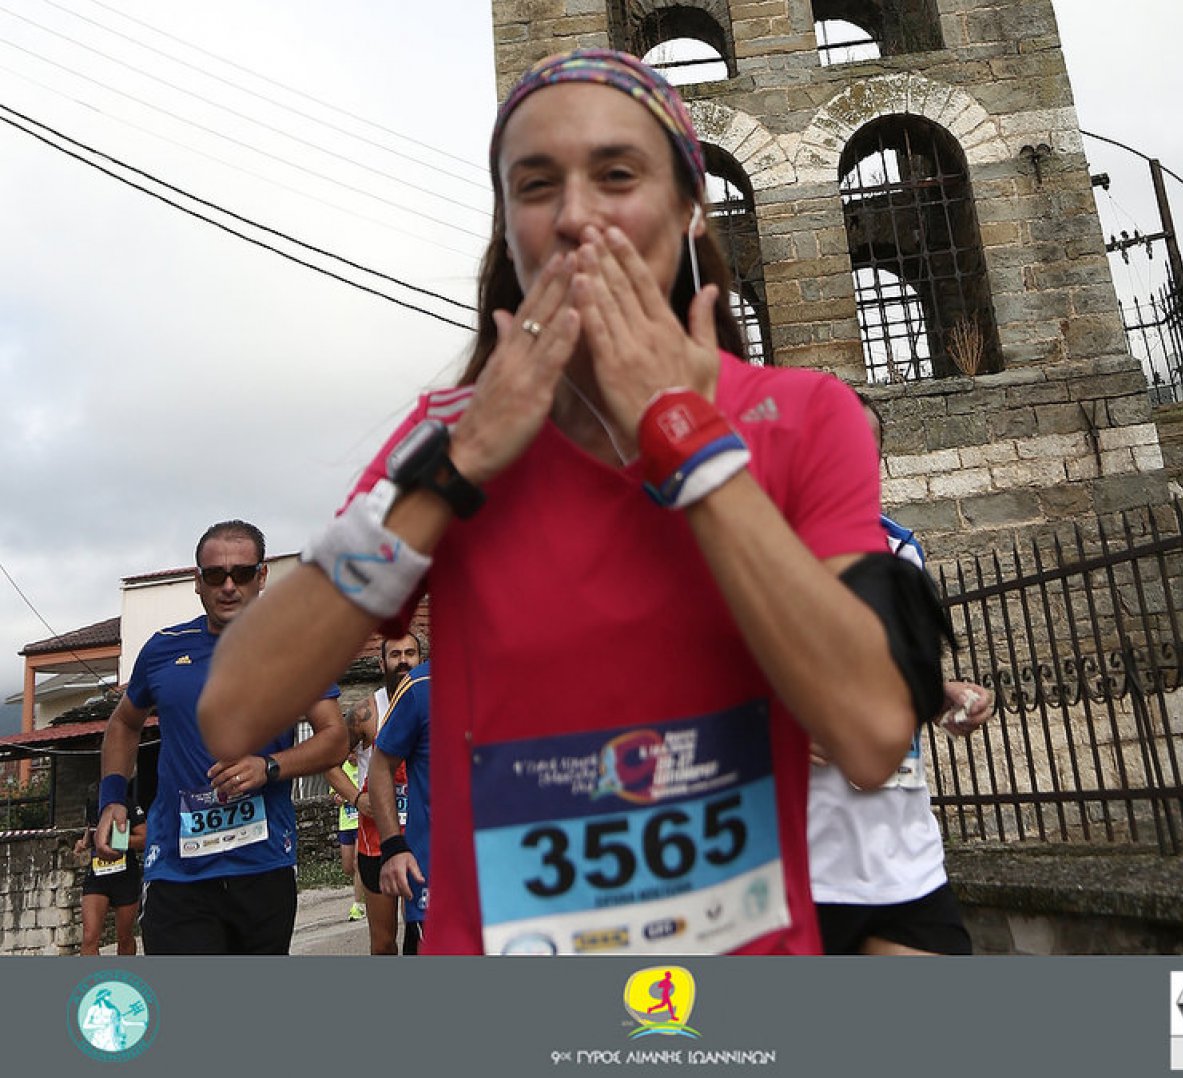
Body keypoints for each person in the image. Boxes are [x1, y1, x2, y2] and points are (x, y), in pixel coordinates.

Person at [200, 50, 946, 956]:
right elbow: (236, 712)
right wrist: (459, 465)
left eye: (618, 174)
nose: (577, 216)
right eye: (536, 185)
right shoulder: (450, 436)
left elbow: (871, 735)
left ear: (690, 207)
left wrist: (686, 440)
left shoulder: (801, 415)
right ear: (508, 230)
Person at [95, 520, 348, 954]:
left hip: (262, 866)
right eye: (215, 575)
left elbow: (335, 738)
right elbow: (123, 724)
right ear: (197, 582)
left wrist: (268, 767)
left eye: (242, 573)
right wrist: (112, 798)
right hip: (177, 871)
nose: (229, 586)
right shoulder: (163, 649)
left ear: (262, 576)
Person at [807, 399, 994, 955]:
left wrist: (941, 697)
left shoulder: (902, 551)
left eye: (865, 451)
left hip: (906, 861)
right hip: (805, 866)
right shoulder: (761, 551)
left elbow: (895, 683)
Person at [324, 632, 421, 954]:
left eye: (410, 653)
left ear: (421, 660)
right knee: (383, 943)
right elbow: (329, 762)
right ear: (382, 664)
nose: (403, 661)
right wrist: (356, 798)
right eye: (395, 655)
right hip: (376, 840)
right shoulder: (366, 713)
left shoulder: (434, 705)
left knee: (422, 933)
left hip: (423, 834)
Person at [367, 660, 432, 955]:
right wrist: (393, 846)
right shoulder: (419, 686)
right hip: (436, 873)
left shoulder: (523, 678)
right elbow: (380, 765)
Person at [73, 779, 146, 955]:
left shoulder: (128, 804)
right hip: (97, 876)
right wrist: (82, 844)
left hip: (125, 876)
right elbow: (91, 831)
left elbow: (145, 838)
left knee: (124, 937)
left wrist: (118, 840)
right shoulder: (93, 806)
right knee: (89, 937)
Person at [333, 757, 367, 921]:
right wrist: (338, 799)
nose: (351, 756)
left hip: (362, 822)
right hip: (346, 823)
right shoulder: (341, 769)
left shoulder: (365, 766)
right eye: (349, 753)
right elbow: (334, 795)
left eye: (354, 753)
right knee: (348, 867)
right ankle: (366, 885)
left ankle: (358, 905)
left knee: (357, 862)